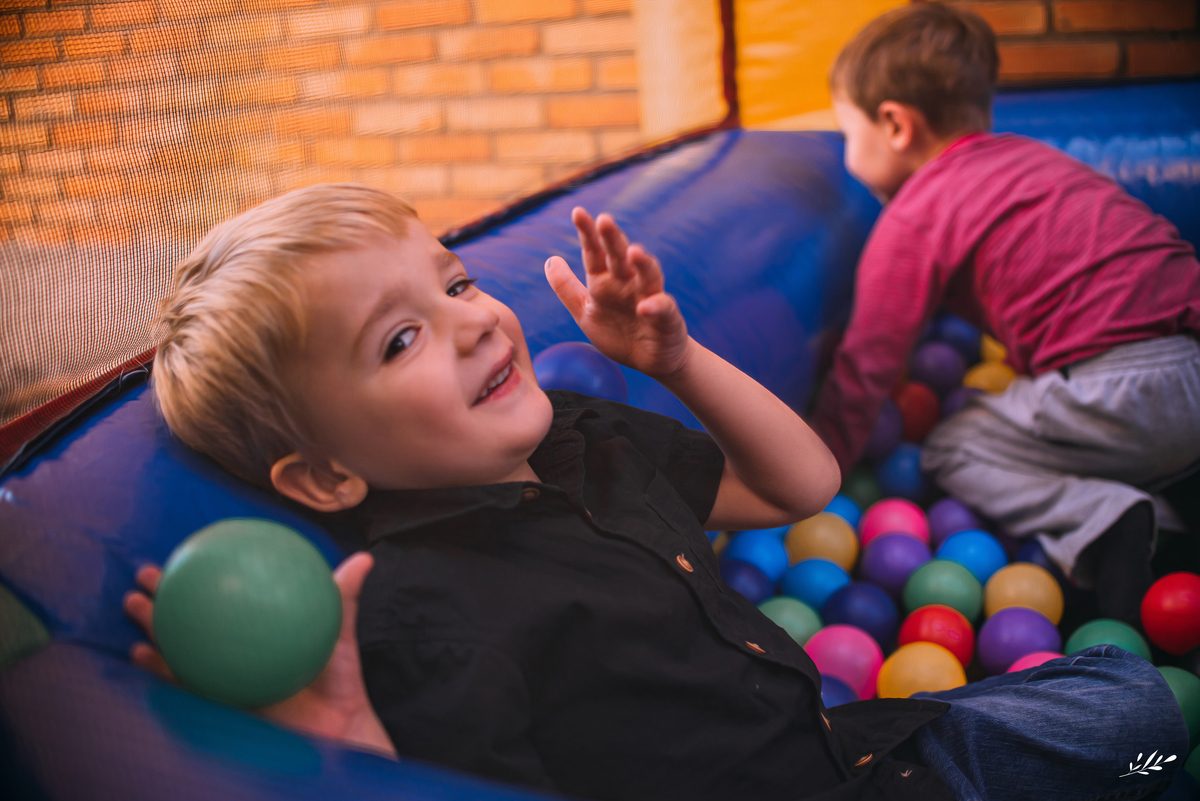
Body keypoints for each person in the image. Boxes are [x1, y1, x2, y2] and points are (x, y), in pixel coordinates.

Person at [124, 182, 1184, 801]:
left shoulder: (583, 442)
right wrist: (349, 741)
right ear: (323, 473)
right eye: (401, 339)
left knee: (1133, 704)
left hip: (852, 751)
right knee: (1151, 735)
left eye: (455, 282)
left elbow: (803, 485)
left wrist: (673, 360)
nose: (474, 321)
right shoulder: (425, 613)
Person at [809, 2, 1200, 628]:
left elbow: (867, 367)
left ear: (895, 125)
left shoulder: (914, 215)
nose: (847, 153)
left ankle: (1109, 520)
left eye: (847, 134)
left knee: (953, 448)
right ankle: (1178, 486)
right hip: (1192, 369)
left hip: (1121, 393)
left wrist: (813, 471)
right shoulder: (1032, 159)